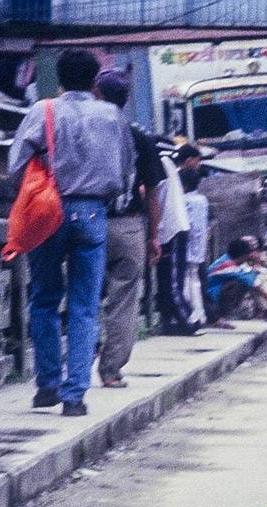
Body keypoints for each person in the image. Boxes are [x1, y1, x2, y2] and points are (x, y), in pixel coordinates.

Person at [9, 48, 134, 416]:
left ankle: (47, 384)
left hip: (48, 209)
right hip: (93, 211)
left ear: (59, 79)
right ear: (95, 80)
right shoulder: (111, 115)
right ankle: (75, 395)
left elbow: (15, 165)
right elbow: (126, 170)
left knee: (45, 298)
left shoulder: (43, 111)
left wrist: (34, 191)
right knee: (85, 306)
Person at [94, 68, 164, 391]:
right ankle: (110, 370)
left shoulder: (87, 131)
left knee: (84, 295)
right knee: (124, 299)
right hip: (129, 227)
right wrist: (154, 236)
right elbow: (152, 192)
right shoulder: (141, 138)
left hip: (89, 219)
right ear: (127, 99)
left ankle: (80, 360)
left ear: (98, 94)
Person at [152, 149, 196, 335]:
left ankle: (185, 319)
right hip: (170, 227)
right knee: (168, 276)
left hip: (172, 227)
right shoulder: (167, 164)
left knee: (171, 278)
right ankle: (171, 319)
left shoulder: (160, 162)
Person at [206, 237, 267, 323]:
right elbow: (253, 283)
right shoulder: (229, 265)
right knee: (245, 283)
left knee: (254, 276)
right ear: (243, 256)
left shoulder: (226, 259)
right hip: (212, 301)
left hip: (211, 298)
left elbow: (262, 274)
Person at [180, 167, 212, 328]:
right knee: (195, 279)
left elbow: (187, 224)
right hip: (199, 245)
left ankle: (192, 314)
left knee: (186, 280)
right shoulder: (202, 200)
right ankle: (200, 314)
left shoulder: (184, 201)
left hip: (187, 244)